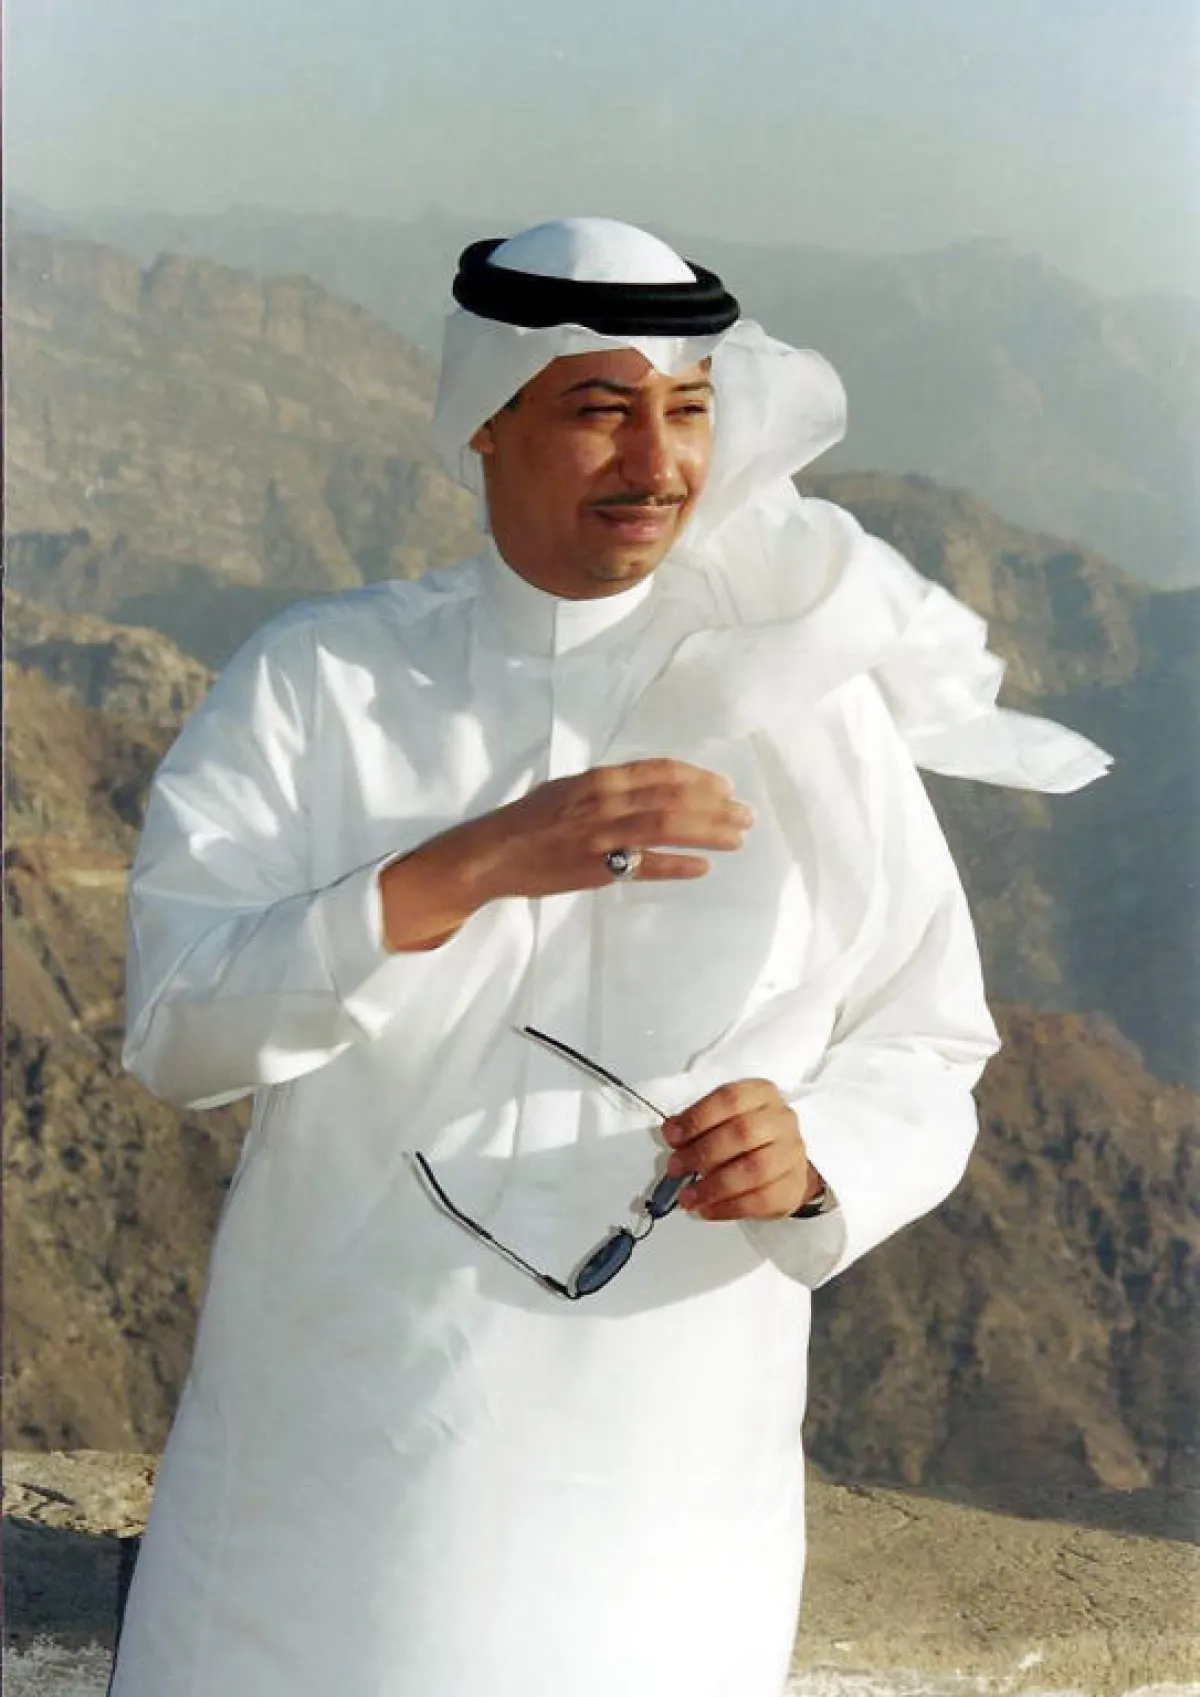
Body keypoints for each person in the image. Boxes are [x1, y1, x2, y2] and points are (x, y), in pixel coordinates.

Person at [109, 218, 1109, 1697]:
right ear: (488, 422)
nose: (656, 462)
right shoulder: (322, 682)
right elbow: (179, 1033)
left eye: (687, 411)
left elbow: (928, 1033)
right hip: (344, 1455)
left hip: (672, 1476)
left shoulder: (804, 704)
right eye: (599, 410)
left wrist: (816, 1154)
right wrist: (468, 866)